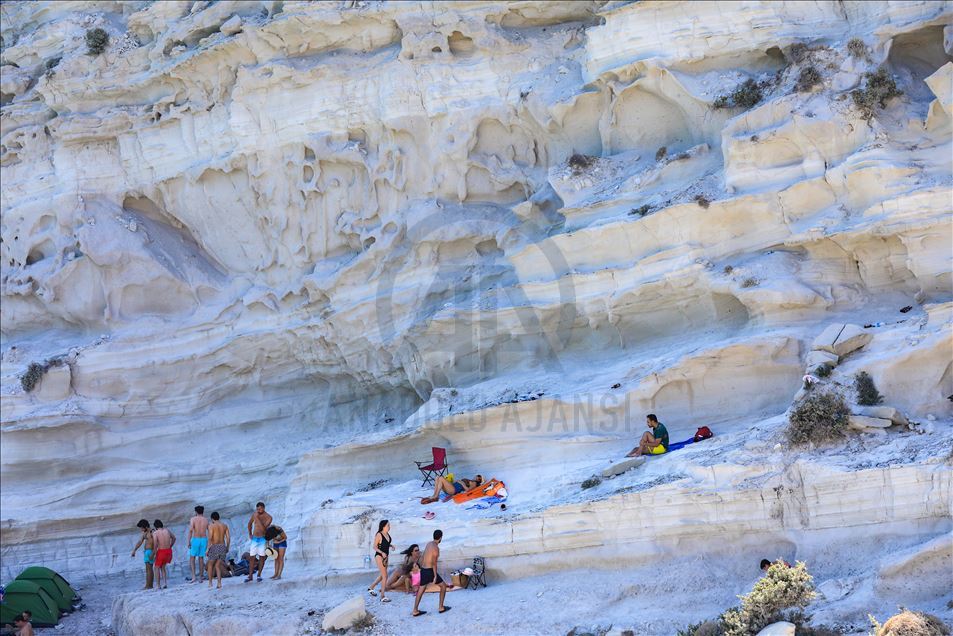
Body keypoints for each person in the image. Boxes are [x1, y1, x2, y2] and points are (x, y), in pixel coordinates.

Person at [413, 529, 449, 617]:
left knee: (421, 590)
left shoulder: (429, 544)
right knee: (443, 586)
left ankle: (415, 610)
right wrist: (435, 576)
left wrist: (418, 565)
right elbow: (434, 563)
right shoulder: (436, 548)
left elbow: (423, 556)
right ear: (440, 538)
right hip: (430, 571)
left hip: (424, 570)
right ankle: (441, 607)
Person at [367, 520, 394, 602]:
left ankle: (371, 587)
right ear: (383, 526)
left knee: (383, 575)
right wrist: (382, 553)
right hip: (379, 556)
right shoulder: (379, 534)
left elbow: (385, 544)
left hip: (386, 557)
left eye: (389, 525)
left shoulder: (387, 534)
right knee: (385, 576)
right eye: (388, 525)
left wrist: (391, 545)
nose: (389, 527)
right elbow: (374, 547)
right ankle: (382, 596)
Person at [245, 502, 272, 582]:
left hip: (262, 538)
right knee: (252, 557)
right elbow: (249, 524)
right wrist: (250, 533)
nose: (258, 510)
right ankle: (250, 576)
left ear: (263, 508)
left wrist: (257, 519)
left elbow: (264, 529)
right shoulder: (255, 514)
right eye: (257, 509)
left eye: (260, 509)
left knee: (261, 557)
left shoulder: (269, 517)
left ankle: (259, 575)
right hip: (254, 538)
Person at [205, 511, 230, 589]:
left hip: (214, 547)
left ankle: (210, 583)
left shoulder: (211, 526)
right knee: (217, 565)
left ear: (212, 519)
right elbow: (228, 538)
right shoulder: (224, 525)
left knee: (210, 565)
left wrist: (207, 549)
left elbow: (210, 538)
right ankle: (219, 583)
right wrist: (227, 547)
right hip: (222, 546)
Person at [187, 505, 209, 583]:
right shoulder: (206, 520)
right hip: (204, 539)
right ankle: (201, 576)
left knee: (192, 557)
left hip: (196, 539)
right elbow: (209, 531)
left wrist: (188, 541)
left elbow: (190, 530)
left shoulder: (193, 519)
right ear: (203, 511)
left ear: (196, 512)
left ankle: (193, 576)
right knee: (201, 558)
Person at [131, 519, 155, 589]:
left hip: (150, 551)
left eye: (141, 527)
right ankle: (148, 585)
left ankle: (149, 585)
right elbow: (140, 542)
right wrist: (134, 550)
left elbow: (156, 542)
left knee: (149, 569)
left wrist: (153, 553)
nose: (141, 529)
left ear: (145, 526)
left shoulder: (152, 532)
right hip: (147, 552)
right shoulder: (145, 533)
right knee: (148, 569)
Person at [152, 519, 176, 589]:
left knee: (156, 568)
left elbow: (156, 544)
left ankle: (158, 585)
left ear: (155, 526)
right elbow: (174, 538)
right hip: (168, 551)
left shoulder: (155, 533)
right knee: (163, 567)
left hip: (161, 551)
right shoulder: (167, 530)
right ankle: (165, 583)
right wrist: (170, 546)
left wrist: (154, 553)